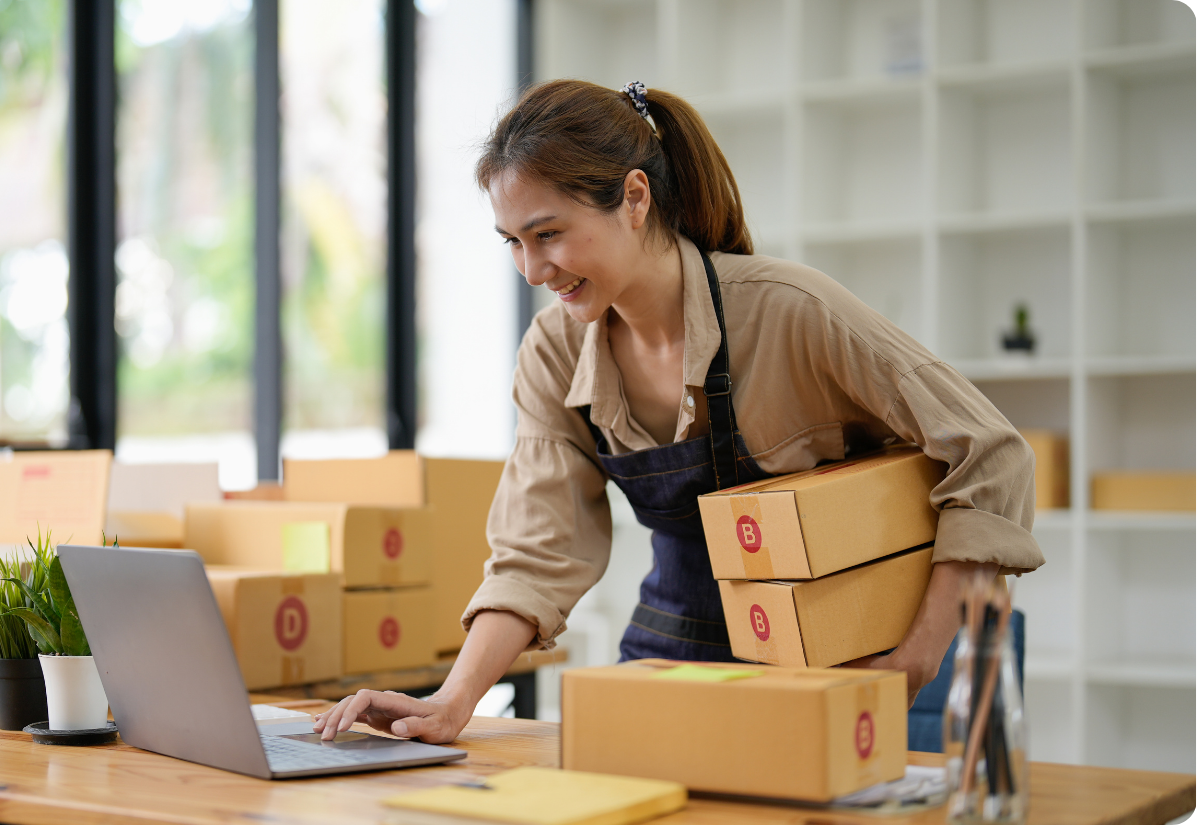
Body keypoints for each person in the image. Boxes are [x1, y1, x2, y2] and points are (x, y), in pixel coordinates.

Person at [313, 79, 1044, 744]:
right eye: (513, 242)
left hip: (864, 650)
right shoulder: (554, 352)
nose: (533, 270)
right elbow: (539, 550)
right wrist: (451, 700)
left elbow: (993, 453)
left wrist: (914, 657)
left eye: (549, 233)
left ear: (635, 198)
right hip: (680, 642)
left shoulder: (789, 310)